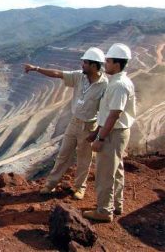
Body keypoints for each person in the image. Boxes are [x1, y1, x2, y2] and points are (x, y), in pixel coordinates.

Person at [23, 47, 107, 200]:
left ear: (94, 65)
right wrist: (36, 69)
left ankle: (80, 188)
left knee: (84, 159)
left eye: (85, 62)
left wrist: (97, 133)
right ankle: (50, 184)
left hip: (89, 126)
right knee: (63, 154)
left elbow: (106, 111)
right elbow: (57, 74)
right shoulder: (79, 76)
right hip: (74, 123)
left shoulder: (104, 85)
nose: (82, 64)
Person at [83, 43, 136, 222]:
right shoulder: (117, 82)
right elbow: (108, 113)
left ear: (117, 63)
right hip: (115, 132)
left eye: (108, 61)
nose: (105, 63)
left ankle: (104, 211)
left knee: (105, 172)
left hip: (113, 134)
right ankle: (116, 204)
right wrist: (97, 130)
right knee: (116, 169)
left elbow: (114, 114)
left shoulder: (119, 85)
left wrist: (101, 137)